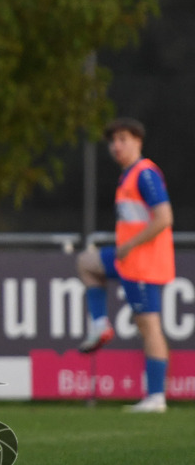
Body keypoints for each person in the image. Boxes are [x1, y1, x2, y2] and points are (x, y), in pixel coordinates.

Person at [76, 117, 174, 413]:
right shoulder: (128, 175)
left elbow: (164, 218)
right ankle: (99, 325)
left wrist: (130, 245)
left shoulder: (145, 174)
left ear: (137, 142)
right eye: (113, 141)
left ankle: (156, 397)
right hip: (127, 259)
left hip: (143, 263)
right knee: (86, 263)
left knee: (149, 325)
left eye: (123, 139)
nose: (116, 146)